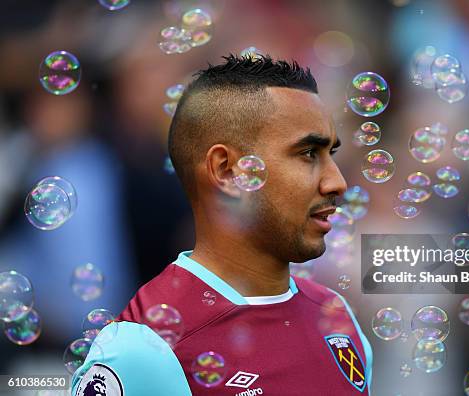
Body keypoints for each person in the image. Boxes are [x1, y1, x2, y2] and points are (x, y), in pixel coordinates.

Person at [71, 54, 373, 396]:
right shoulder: (144, 347)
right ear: (228, 171)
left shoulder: (337, 316)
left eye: (331, 154)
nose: (337, 182)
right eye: (307, 154)